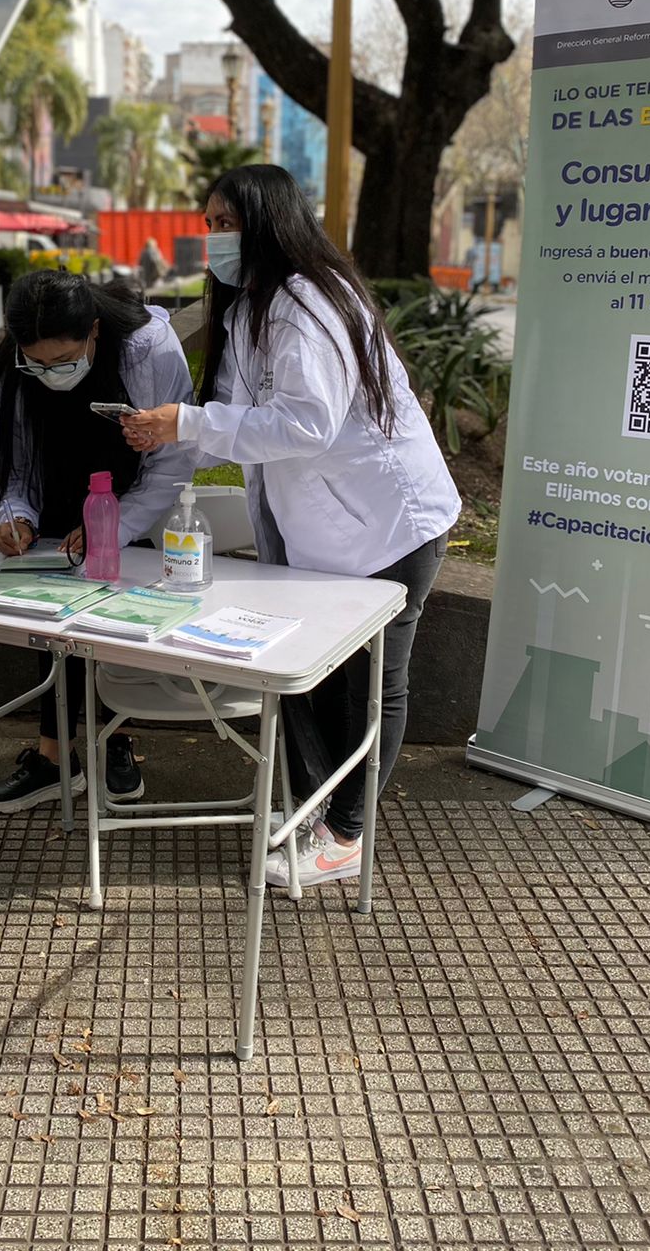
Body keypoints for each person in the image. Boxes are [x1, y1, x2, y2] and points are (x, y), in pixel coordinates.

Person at [124, 165, 460, 889]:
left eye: (226, 224)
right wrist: (173, 429)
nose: (213, 238)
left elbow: (305, 424)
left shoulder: (306, 303)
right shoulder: (250, 304)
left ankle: (345, 833)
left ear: (270, 222)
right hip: (325, 532)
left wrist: (184, 423)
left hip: (390, 528)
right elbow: (239, 419)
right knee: (311, 678)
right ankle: (323, 809)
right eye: (207, 224)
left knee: (372, 683)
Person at [0, 269, 194, 812]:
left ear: (95, 331)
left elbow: (171, 462)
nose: (51, 373)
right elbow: (4, 460)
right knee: (54, 621)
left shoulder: (147, 347)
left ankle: (115, 739)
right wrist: (14, 516)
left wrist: (113, 528)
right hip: (56, 496)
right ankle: (55, 757)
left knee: (117, 622)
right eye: (39, 363)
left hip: (128, 492)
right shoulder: (13, 366)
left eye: (65, 359)